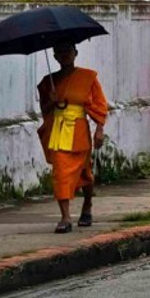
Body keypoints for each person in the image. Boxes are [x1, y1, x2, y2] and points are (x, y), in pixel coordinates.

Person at [37, 43, 108, 234]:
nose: (64, 55)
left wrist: (99, 129)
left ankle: (87, 204)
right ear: (54, 56)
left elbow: (100, 105)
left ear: (75, 53)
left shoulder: (88, 77)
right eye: (59, 52)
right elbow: (44, 111)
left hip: (78, 130)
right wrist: (51, 101)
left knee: (85, 173)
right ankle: (65, 217)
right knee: (60, 173)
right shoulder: (48, 82)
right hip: (58, 132)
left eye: (67, 51)